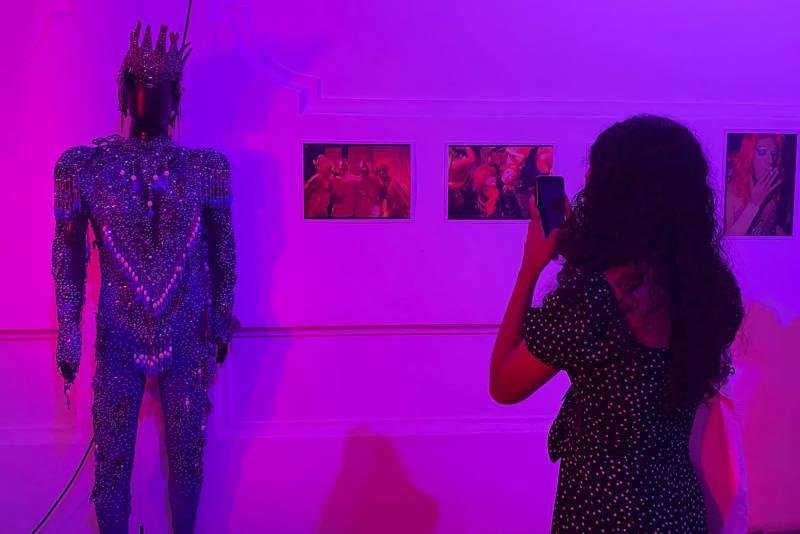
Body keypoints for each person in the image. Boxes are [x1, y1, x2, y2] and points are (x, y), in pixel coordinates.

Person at [490, 115, 743, 532]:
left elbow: (503, 383)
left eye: (596, 175)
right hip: (676, 507)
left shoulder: (593, 301)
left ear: (615, 196)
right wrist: (580, 253)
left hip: (604, 510)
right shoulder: (711, 290)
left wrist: (530, 267)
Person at [52, 22, 237, 533]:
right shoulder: (85, 168)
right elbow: (68, 251)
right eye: (140, 85)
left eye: (162, 88)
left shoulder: (205, 169)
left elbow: (224, 250)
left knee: (188, 457)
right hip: (119, 331)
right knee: (112, 461)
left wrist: (222, 315)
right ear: (123, 91)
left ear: (177, 97)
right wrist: (68, 328)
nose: (149, 98)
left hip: (187, 329)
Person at [725, 134, 792, 236]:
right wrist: (754, 204)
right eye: (762, 152)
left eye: (774, 154)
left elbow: (770, 228)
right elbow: (726, 240)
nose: (770, 161)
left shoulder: (774, 189)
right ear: (749, 156)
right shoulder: (730, 190)